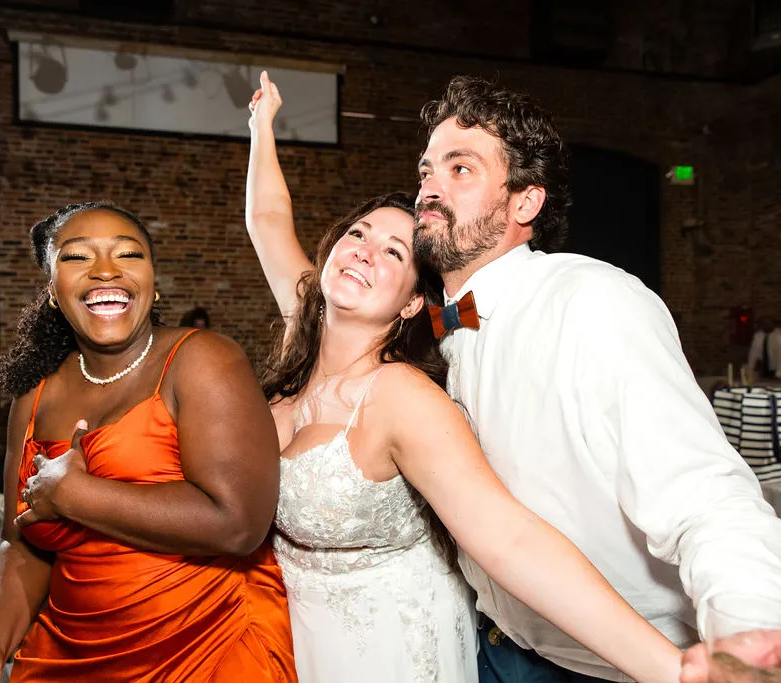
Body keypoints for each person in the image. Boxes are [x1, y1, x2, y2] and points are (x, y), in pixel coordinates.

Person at [413, 76, 781, 683]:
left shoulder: (591, 302)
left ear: (524, 204)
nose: (431, 187)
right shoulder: (435, 324)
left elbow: (706, 497)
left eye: (460, 168)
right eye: (427, 170)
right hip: (493, 645)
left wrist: (755, 636)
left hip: (610, 667)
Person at [247, 71, 681, 683]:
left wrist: (679, 671)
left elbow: (508, 539)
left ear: (408, 304)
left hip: (394, 647)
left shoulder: (400, 396)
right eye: (358, 234)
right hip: (298, 641)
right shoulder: (299, 346)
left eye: (395, 253)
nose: (367, 251)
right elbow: (268, 221)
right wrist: (262, 127)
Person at [0, 202, 296, 682]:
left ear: (153, 282)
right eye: (77, 257)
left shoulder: (201, 359)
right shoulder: (33, 397)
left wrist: (75, 495)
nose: (105, 270)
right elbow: (19, 546)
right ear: (53, 293)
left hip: (208, 644)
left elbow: (239, 524)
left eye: (129, 254)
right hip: (65, 656)